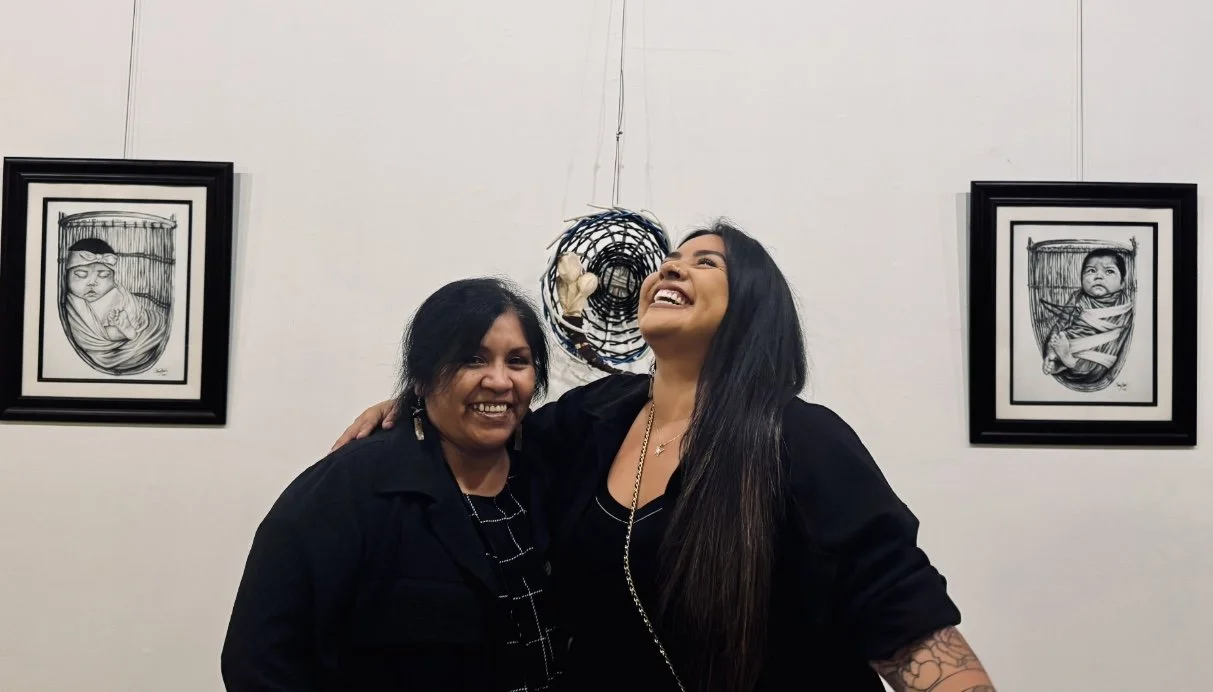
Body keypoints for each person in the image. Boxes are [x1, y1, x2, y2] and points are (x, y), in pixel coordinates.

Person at [332, 221, 998, 692]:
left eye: (706, 263)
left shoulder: (801, 440)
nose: (671, 267)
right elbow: (490, 427)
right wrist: (412, 407)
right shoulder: (591, 420)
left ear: (753, 309)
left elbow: (907, 624)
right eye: (672, 257)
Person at [221, 277, 564, 691]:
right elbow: (258, 659)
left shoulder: (553, 469)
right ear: (421, 376)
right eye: (472, 360)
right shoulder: (349, 487)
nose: (499, 381)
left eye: (517, 361)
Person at [61, 238, 171, 376]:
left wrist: (130, 321)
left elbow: (134, 309)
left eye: (104, 275)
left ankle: (128, 330)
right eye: (81, 275)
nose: (92, 282)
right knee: (112, 330)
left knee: (142, 317)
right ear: (66, 276)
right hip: (105, 342)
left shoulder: (116, 292)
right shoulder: (74, 301)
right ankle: (127, 332)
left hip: (137, 326)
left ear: (113, 277)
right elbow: (81, 331)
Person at [1042, 247, 1134, 391]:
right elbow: (1061, 323)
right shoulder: (1078, 297)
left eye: (1109, 271)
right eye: (1091, 270)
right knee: (1058, 337)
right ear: (1081, 279)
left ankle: (1069, 361)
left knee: (1095, 363)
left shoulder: (1124, 305)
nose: (1098, 276)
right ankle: (1058, 360)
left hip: (1098, 356)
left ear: (1122, 283)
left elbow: (1119, 338)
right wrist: (1050, 350)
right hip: (1069, 340)